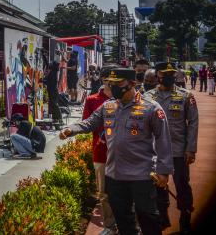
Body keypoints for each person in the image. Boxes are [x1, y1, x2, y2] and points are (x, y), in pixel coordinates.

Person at [59, 68, 173, 235]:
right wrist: (70, 129)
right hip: (115, 175)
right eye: (112, 84)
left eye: (119, 84)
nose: (114, 88)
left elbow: (163, 140)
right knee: (123, 220)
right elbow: (89, 122)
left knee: (147, 218)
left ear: (132, 84)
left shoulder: (151, 108)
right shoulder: (108, 106)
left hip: (141, 175)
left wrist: (164, 171)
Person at [145, 62, 198, 234]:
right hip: (156, 152)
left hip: (178, 150)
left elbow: (193, 123)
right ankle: (162, 218)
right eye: (164, 74)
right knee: (158, 187)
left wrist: (191, 149)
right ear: (158, 76)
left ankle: (185, 217)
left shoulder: (185, 95)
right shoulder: (147, 97)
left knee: (182, 185)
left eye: (171, 74)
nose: (168, 77)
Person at [82, 64, 118, 235]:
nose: (111, 82)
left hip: (124, 154)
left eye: (115, 78)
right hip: (101, 153)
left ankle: (129, 223)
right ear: (103, 79)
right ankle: (110, 226)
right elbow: (87, 124)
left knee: (127, 190)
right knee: (103, 193)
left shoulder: (126, 98)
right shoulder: (92, 100)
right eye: (108, 78)